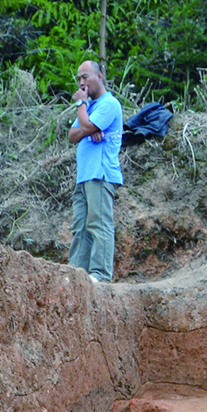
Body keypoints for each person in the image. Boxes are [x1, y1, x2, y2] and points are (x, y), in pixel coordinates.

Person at [68, 60, 124, 282]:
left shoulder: (109, 104)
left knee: (99, 223)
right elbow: (73, 135)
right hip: (84, 176)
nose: (82, 82)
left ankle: (100, 275)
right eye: (79, 78)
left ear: (100, 76)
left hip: (100, 174)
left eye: (86, 77)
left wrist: (82, 109)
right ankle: (76, 274)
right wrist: (86, 127)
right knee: (80, 226)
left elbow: (85, 126)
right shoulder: (89, 108)